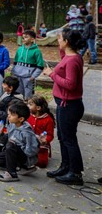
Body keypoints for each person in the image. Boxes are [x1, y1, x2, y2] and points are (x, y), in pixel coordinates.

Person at [42, 28, 86, 185]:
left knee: (69, 139)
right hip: (63, 103)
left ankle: (75, 173)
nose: (57, 40)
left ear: (67, 42)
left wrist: (51, 74)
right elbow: (64, 60)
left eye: (60, 39)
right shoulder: (70, 56)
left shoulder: (73, 60)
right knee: (62, 136)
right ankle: (65, 166)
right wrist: (60, 49)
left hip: (70, 105)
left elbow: (71, 84)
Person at [0, 101, 39, 182]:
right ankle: (20, 168)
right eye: (9, 114)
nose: (9, 116)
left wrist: (26, 157)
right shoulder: (12, 125)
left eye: (12, 115)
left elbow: (32, 149)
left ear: (21, 119)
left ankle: (12, 173)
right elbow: (10, 137)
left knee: (10, 145)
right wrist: (2, 136)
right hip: (12, 152)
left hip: (24, 155)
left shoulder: (26, 132)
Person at [10, 30, 44, 99]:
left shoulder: (36, 51)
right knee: (17, 95)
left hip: (28, 78)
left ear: (32, 39)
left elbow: (40, 66)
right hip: (17, 76)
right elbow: (15, 62)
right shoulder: (19, 49)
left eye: (26, 37)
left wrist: (33, 76)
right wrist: (13, 71)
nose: (23, 39)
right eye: (23, 37)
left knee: (28, 96)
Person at [27, 94, 55, 168]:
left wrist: (45, 140)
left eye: (30, 104)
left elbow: (50, 135)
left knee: (41, 163)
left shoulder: (48, 120)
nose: (28, 106)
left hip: (41, 146)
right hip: (28, 143)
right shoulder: (28, 116)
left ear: (38, 108)